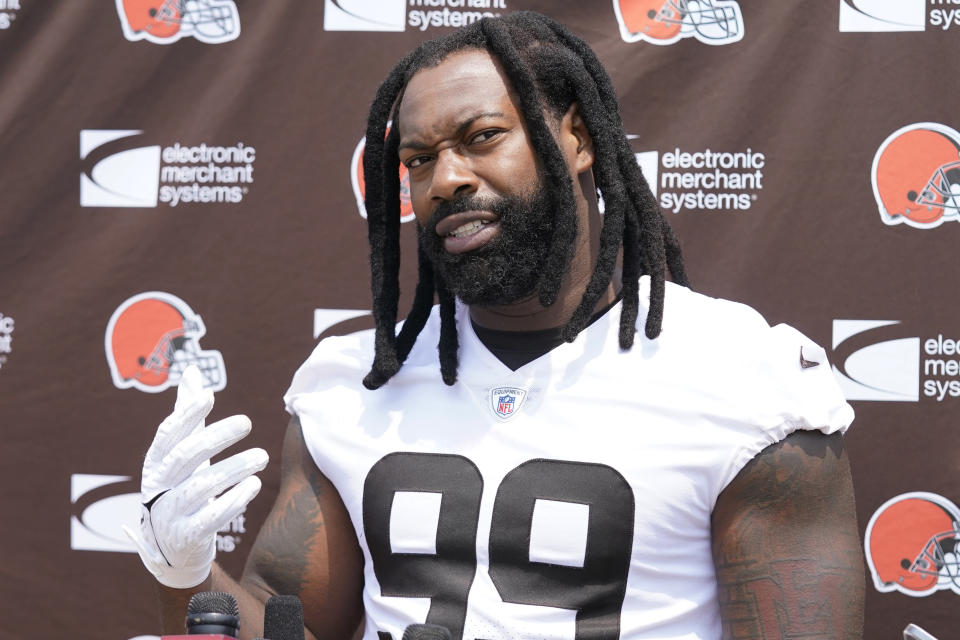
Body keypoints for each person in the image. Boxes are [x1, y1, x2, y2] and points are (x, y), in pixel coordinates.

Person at [126, 12, 865, 640]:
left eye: (480, 137)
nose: (445, 179)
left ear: (576, 140)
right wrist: (184, 573)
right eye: (419, 160)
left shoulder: (742, 377)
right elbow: (289, 624)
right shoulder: (352, 381)